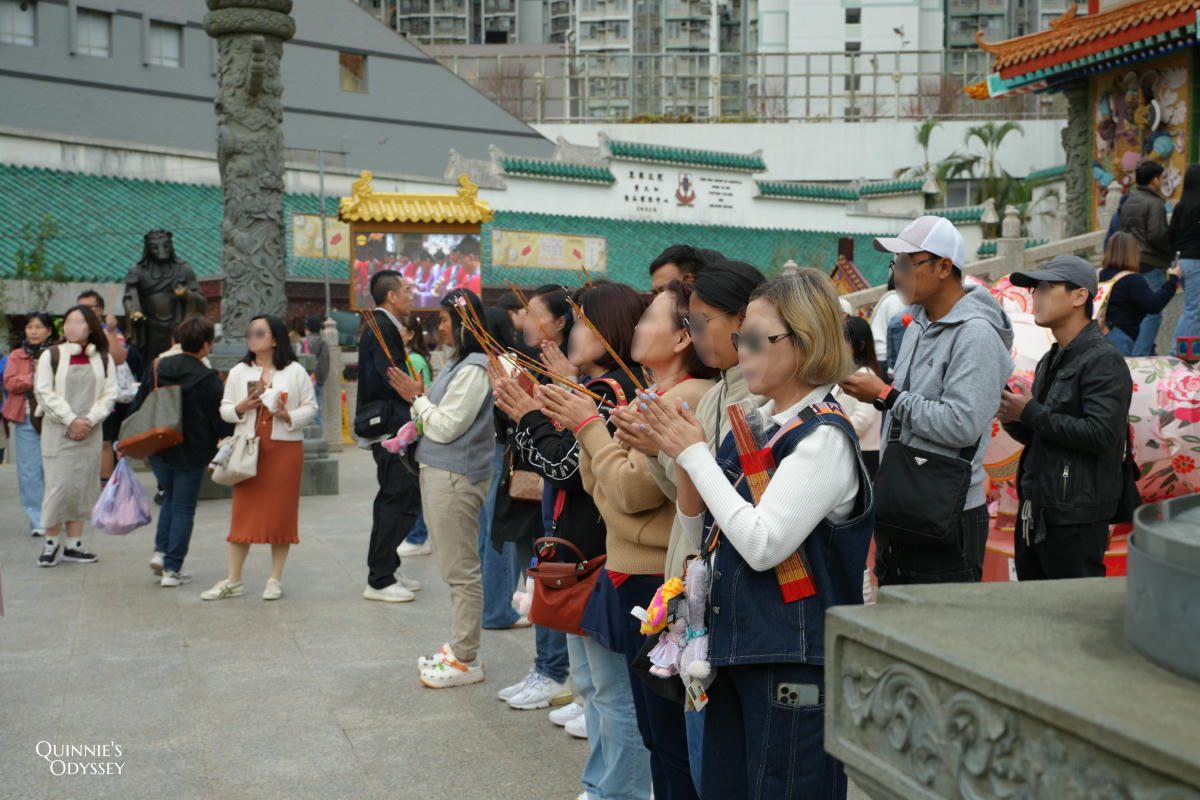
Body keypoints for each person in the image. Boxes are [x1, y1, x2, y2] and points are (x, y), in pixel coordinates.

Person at [641, 269, 873, 799]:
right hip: (738, 649)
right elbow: (703, 534)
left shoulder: (823, 438)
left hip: (791, 659)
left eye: (753, 338)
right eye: (740, 336)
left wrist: (696, 455)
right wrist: (684, 460)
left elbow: (763, 546)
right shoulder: (759, 421)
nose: (738, 348)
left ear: (805, 342)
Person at [539, 280, 713, 800]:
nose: (637, 326)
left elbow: (628, 492)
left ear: (683, 339)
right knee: (632, 711)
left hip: (651, 572)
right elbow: (602, 489)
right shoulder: (651, 395)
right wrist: (589, 429)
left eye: (650, 318)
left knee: (652, 723)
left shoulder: (684, 399)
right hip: (627, 563)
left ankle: (619, 791)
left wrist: (586, 424)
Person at [493, 284, 653, 798]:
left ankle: (621, 789)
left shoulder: (612, 392)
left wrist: (530, 415)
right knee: (593, 688)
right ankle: (603, 783)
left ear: (607, 332)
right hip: (585, 551)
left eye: (582, 323)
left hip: (599, 551)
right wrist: (539, 408)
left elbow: (563, 466)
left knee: (610, 692)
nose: (570, 331)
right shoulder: (596, 388)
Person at [840, 215, 1014, 585]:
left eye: (906, 264)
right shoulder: (916, 322)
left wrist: (886, 395)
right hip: (903, 502)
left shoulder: (976, 335)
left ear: (944, 267)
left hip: (947, 512)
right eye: (895, 264)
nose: (897, 274)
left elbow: (962, 424)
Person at [998, 255, 1133, 580]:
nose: (1036, 296)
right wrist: (1013, 416)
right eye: (1034, 289)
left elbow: (1101, 434)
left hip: (1076, 517)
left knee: (1075, 617)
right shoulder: (1051, 358)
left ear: (1079, 296)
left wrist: (1031, 411)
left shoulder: (1104, 360)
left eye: (1045, 287)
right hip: (1037, 508)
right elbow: (1045, 434)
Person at [386, 289, 496, 688]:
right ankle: (460, 646)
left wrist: (416, 398)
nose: (440, 327)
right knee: (455, 567)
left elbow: (448, 426)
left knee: (461, 570)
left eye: (446, 320)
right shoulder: (459, 363)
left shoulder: (475, 368)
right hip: (440, 472)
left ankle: (466, 656)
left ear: (464, 323)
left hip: (455, 476)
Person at [490, 286, 579, 710]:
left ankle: (554, 670)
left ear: (561, 323)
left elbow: (555, 428)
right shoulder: (530, 364)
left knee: (549, 579)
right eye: (524, 313)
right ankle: (546, 665)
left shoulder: (566, 371)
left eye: (534, 313)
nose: (524, 321)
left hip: (548, 482)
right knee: (536, 578)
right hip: (524, 481)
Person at [201, 315, 317, 601]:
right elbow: (225, 409)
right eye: (250, 332)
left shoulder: (294, 371)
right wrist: (241, 407)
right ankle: (233, 579)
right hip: (248, 448)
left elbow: (311, 408)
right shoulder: (240, 371)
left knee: (281, 515)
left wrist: (287, 415)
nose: (252, 337)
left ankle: (275, 579)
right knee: (243, 513)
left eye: (259, 333)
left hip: (285, 449)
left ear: (275, 339)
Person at [135, 316, 231, 587]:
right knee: (184, 507)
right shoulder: (209, 377)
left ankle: (161, 552)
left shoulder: (157, 366)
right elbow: (220, 420)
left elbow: (139, 404)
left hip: (158, 446)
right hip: (192, 451)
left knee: (170, 497)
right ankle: (172, 568)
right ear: (206, 345)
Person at [356, 270, 423, 603]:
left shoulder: (382, 326)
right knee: (398, 497)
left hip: (390, 425)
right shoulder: (382, 328)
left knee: (396, 497)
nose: (412, 294)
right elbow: (394, 378)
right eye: (407, 289)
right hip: (390, 428)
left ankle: (387, 568)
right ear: (391, 297)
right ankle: (379, 578)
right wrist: (418, 396)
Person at [34, 305, 117, 567]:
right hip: (59, 430)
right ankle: (50, 542)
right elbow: (44, 393)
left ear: (90, 327)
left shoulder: (103, 358)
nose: (70, 327)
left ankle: (74, 544)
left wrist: (89, 420)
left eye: (77, 322)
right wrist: (71, 420)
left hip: (90, 431)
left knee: (82, 484)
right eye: (67, 321)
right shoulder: (52, 355)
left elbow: (109, 393)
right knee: (58, 485)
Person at [3, 312, 55, 537]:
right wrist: (35, 379)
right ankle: (38, 520)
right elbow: (9, 382)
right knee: (29, 471)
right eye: (30, 327)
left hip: (55, 418)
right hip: (25, 417)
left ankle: (55, 515)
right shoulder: (16, 355)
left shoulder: (57, 353)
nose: (33, 331)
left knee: (54, 470)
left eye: (39, 327)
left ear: (49, 331)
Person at [77, 290, 133, 483]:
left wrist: (109, 331)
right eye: (80, 308)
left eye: (87, 308)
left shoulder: (110, 332)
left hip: (102, 396)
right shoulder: (73, 330)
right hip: (77, 396)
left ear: (100, 310)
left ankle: (105, 488)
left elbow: (119, 358)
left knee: (104, 442)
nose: (82, 313)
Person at [1119, 160, 1172, 355]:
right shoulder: (1155, 202)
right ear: (1155, 180)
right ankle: (1139, 355)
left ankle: (1140, 351)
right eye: (1161, 178)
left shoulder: (1129, 200)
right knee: (1153, 313)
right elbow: (1157, 234)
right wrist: (1169, 250)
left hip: (1130, 260)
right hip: (1151, 260)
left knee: (1137, 311)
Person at [1097, 232, 1181, 356]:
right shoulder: (1133, 279)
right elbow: (1154, 305)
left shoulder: (1101, 275)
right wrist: (1173, 279)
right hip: (1122, 338)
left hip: (1102, 334)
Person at [397, 312, 436, 558]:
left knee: (415, 487)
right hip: (413, 427)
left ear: (411, 334)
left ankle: (418, 536)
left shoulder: (414, 360)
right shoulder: (409, 357)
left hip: (417, 429)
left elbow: (422, 396)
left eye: (400, 329)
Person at [833, 316, 883, 477]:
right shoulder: (850, 374)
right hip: (855, 449)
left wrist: (833, 434)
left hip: (864, 452)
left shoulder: (864, 376)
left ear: (860, 346)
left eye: (843, 342)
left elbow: (862, 420)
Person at [1171, 163, 1200, 343]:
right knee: (1193, 309)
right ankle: (1177, 353)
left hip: (1182, 261)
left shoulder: (1180, 207)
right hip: (1196, 262)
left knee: (1194, 308)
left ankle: (1192, 353)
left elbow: (1171, 236)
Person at [869, 272, 906, 376]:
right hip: (885, 358)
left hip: (878, 356)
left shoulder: (890, 298)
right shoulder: (897, 300)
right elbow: (898, 332)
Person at [302, 315, 330, 428]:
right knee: (317, 410)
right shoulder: (323, 342)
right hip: (318, 381)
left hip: (304, 381)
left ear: (307, 328)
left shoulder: (302, 342)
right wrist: (321, 379)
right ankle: (319, 435)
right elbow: (325, 362)